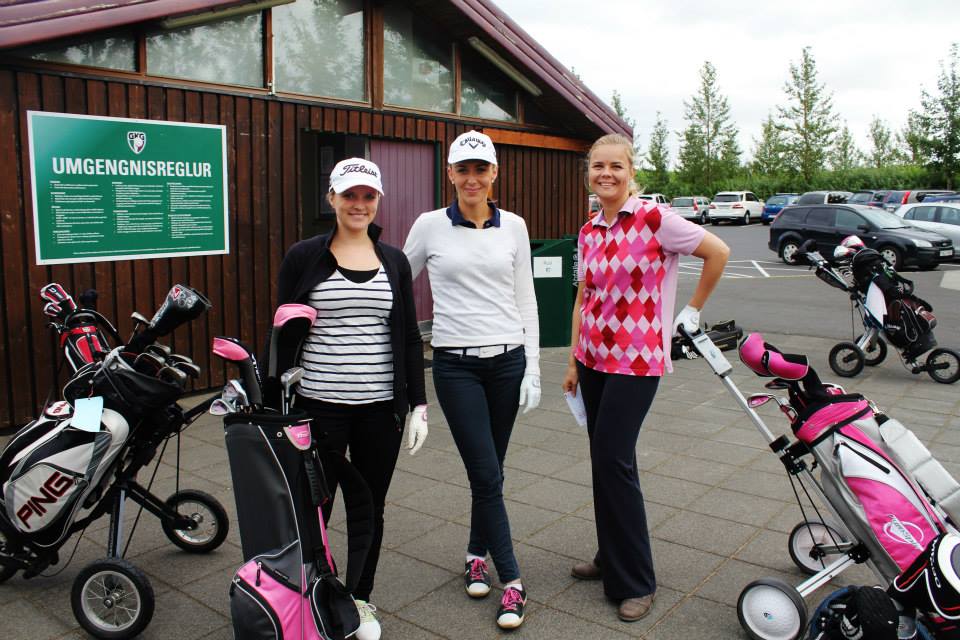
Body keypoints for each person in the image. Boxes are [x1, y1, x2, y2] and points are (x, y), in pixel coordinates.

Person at [561, 133, 729, 622]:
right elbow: (583, 298)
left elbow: (718, 252)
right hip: (593, 358)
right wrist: (572, 360)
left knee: (613, 460)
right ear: (589, 173)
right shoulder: (588, 230)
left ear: (631, 172)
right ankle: (610, 555)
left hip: (636, 361)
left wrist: (692, 310)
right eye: (598, 166)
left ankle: (636, 580)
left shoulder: (656, 219)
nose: (606, 174)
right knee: (605, 461)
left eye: (616, 166)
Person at [276, 158, 429, 640]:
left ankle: (360, 598)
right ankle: (314, 596)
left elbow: (409, 337)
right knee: (314, 508)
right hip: (319, 407)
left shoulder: (394, 262)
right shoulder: (304, 256)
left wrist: (419, 405)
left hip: (380, 410)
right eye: (349, 195)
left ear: (377, 200)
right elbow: (282, 331)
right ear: (332, 199)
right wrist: (278, 402)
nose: (358, 204)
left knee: (369, 508)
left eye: (367, 196)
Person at [403, 130, 541, 630]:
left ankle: (474, 554)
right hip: (456, 366)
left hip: (507, 363)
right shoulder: (429, 225)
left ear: (494, 173)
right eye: (463, 169)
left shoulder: (515, 227)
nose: (472, 178)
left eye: (481, 169)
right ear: (450, 174)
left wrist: (533, 366)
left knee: (492, 473)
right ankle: (513, 581)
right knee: (485, 475)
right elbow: (396, 284)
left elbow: (525, 297)